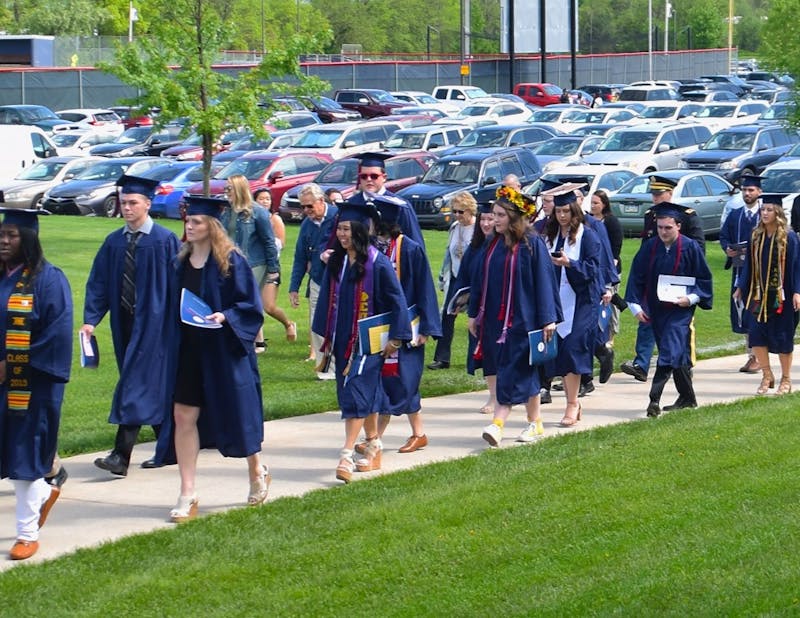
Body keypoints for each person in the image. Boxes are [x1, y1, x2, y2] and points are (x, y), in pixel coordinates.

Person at [168, 196, 271, 522]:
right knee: (183, 417)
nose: (190, 225)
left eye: (196, 222)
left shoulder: (232, 262)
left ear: (211, 226)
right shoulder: (180, 263)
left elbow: (250, 308)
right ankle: (188, 492)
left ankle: (257, 469)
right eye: (188, 220)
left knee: (239, 417)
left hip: (225, 352)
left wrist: (225, 317)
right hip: (190, 352)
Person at [83, 174, 180, 477]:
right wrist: (90, 320)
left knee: (135, 383)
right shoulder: (114, 242)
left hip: (157, 324)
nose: (126, 208)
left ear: (147, 204)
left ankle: (120, 455)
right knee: (148, 384)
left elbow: (181, 285)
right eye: (123, 202)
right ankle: (172, 448)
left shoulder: (164, 241)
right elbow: (98, 283)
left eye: (132, 203)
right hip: (124, 324)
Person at [312, 201, 411, 483]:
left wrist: (397, 335)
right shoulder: (339, 261)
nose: (341, 234)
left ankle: (345, 455)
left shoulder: (377, 262)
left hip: (369, 340)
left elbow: (397, 300)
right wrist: (328, 334)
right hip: (343, 337)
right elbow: (331, 302)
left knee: (356, 391)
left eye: (346, 229)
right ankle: (374, 444)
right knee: (361, 392)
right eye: (339, 229)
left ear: (358, 229)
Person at [0, 209, 72, 560]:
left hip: (32, 385)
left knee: (25, 454)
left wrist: (10, 365)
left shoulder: (48, 280)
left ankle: (27, 534)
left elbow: (56, 336)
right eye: (2, 234)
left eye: (12, 235)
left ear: (28, 239)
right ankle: (44, 493)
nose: (3, 240)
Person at [468, 186, 561, 446]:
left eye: (499, 215)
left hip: (524, 320)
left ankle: (498, 423)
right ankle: (536, 423)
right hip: (495, 321)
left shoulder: (532, 244)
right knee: (522, 371)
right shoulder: (492, 243)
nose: (493, 220)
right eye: (493, 214)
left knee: (512, 369)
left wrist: (548, 318)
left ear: (513, 216)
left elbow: (545, 281)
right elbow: (480, 280)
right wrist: (474, 314)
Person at [356, 205, 442, 466]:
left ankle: (409, 435)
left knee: (403, 380)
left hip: (409, 324)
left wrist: (427, 327)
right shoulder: (371, 251)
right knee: (384, 379)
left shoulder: (410, 248)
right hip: (382, 324)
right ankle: (394, 436)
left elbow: (425, 288)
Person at [626, 204, 713, 416]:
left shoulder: (691, 248)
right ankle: (687, 398)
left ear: (679, 226)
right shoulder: (650, 247)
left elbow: (704, 278)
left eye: (668, 228)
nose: (663, 232)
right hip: (657, 308)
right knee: (679, 353)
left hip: (681, 310)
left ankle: (653, 400)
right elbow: (636, 276)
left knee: (667, 351)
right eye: (660, 227)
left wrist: (691, 298)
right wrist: (635, 306)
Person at [620, 175, 705, 383]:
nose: (655, 198)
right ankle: (641, 364)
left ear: (670, 193)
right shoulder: (651, 215)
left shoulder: (687, 216)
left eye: (659, 194)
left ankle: (684, 365)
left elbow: (698, 248)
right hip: (654, 279)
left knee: (680, 325)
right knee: (647, 319)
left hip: (679, 279)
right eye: (653, 194)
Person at [543, 188, 601, 427]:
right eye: (558, 211)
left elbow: (593, 271)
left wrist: (570, 264)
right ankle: (571, 402)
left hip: (582, 302)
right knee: (559, 353)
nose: (562, 216)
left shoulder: (588, 236)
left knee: (573, 349)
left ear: (575, 211)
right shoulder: (551, 236)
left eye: (566, 211)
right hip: (556, 301)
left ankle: (572, 404)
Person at [734, 194, 800, 396]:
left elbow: (797, 266)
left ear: (778, 213)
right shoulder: (756, 236)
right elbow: (748, 266)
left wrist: (797, 291)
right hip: (757, 295)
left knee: (783, 336)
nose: (764, 213)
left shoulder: (788, 237)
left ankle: (786, 379)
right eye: (763, 210)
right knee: (756, 335)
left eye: (769, 210)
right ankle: (767, 375)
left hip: (783, 296)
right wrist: (740, 287)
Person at [221, 175, 295, 353]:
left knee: (247, 300)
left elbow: (269, 242)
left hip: (254, 263)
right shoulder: (228, 212)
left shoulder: (257, 212)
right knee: (238, 300)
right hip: (232, 263)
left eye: (229, 189)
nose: (226, 193)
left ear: (238, 189)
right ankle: (252, 339)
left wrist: (273, 269)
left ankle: (252, 339)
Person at [289, 183, 339, 377]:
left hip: (339, 280)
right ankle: (325, 371)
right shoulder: (307, 225)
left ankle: (343, 365)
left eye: (309, 206)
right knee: (317, 325)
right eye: (303, 207)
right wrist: (294, 288)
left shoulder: (338, 216)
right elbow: (300, 257)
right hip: (318, 280)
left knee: (339, 324)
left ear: (321, 201)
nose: (306, 210)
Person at [428, 191, 476, 371]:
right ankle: (442, 358)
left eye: (461, 212)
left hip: (474, 279)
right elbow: (449, 253)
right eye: (454, 211)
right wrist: (443, 277)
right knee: (447, 316)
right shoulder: (455, 227)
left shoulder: (479, 228)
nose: (457, 215)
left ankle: (476, 357)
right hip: (456, 276)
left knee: (476, 317)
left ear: (470, 210)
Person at [719, 175, 763, 373]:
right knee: (742, 312)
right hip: (739, 270)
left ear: (759, 192)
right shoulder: (735, 215)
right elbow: (724, 235)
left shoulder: (766, 214)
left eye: (751, 190)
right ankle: (752, 355)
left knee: (757, 311)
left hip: (761, 274)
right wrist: (727, 248)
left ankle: (757, 356)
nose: (747, 193)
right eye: (745, 190)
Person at [346, 152, 425, 247]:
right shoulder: (351, 204)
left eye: (374, 176)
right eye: (364, 176)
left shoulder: (399, 205)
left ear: (384, 177)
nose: (369, 179)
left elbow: (415, 244)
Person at [589, 189, 623, 380]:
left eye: (596, 203)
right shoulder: (587, 221)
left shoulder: (608, 222)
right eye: (591, 203)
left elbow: (615, 247)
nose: (593, 206)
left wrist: (611, 273)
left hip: (607, 271)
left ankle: (607, 345)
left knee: (608, 313)